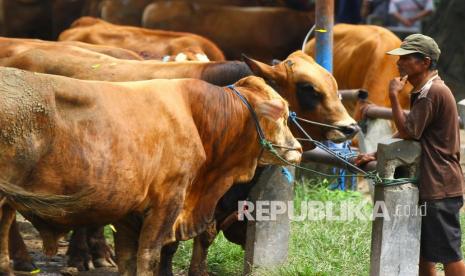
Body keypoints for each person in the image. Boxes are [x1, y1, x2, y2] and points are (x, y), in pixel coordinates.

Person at [356, 34, 465, 276]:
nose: (399, 63)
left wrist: (394, 95)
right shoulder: (424, 91)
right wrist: (375, 151)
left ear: (425, 62)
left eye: (406, 58)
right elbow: (410, 130)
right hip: (432, 183)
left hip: (441, 184)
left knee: (448, 253)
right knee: (424, 251)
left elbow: (409, 130)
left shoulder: (432, 92)